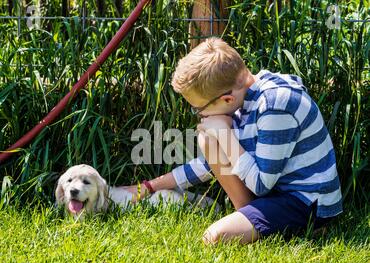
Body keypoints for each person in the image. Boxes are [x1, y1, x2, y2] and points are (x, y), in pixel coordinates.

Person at [123, 37, 343, 245]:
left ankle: (305, 227)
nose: (199, 115)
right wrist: (149, 187)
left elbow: (261, 184)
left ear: (226, 98)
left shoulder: (275, 106)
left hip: (305, 202)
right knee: (207, 139)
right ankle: (251, 219)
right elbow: (209, 165)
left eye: (198, 109)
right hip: (276, 192)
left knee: (215, 237)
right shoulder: (244, 99)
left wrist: (224, 134)